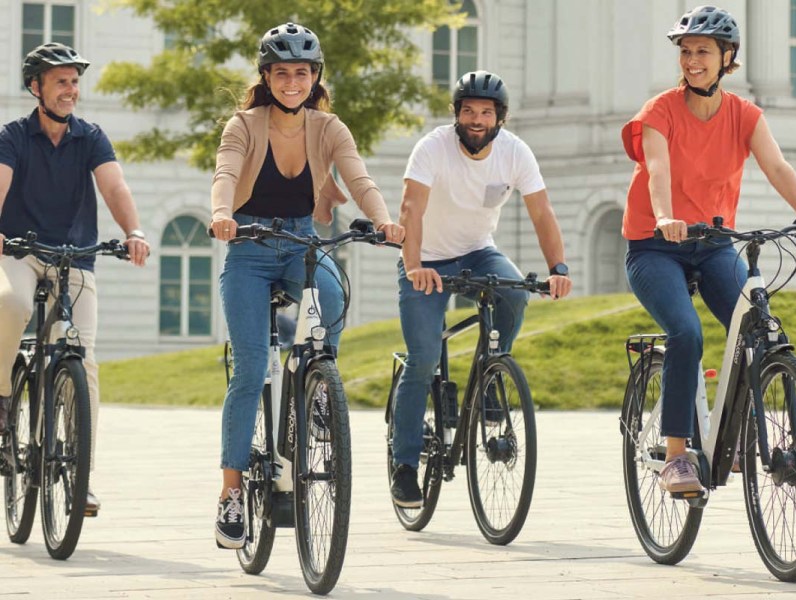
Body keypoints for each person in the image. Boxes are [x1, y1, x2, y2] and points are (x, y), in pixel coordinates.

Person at [209, 22, 404, 549]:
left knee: (333, 294)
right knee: (249, 370)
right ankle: (230, 494)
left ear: (314, 77)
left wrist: (385, 221)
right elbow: (225, 174)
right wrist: (222, 214)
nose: (291, 81)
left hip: (300, 244)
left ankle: (315, 386)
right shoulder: (244, 124)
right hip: (248, 249)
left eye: (301, 72)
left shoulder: (329, 127)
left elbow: (358, 179)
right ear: (266, 77)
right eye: (281, 72)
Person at [621, 5, 796, 494]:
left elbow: (779, 169)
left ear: (727, 58)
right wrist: (663, 217)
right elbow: (658, 170)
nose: (692, 60)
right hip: (656, 245)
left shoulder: (745, 115)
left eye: (703, 51)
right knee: (686, 331)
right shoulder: (659, 111)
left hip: (715, 243)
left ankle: (741, 433)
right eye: (685, 51)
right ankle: (677, 456)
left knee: (760, 330)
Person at [390, 70, 572, 508]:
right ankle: (405, 466)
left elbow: (542, 211)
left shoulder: (515, 153)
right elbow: (411, 207)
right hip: (425, 261)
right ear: (456, 115)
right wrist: (413, 265)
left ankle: (491, 373)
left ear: (499, 118)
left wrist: (558, 267)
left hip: (477, 252)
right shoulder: (432, 147)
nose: (476, 120)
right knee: (423, 359)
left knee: (513, 290)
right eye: (468, 111)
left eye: (485, 113)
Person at [0, 43, 150, 514]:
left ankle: (79, 473)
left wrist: (134, 230)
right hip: (20, 252)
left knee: (82, 361)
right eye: (61, 81)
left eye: (74, 81)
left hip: (74, 257)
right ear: (36, 87)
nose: (71, 90)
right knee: (13, 305)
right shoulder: (13, 137)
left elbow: (114, 186)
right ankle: (2, 393)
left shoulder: (91, 137)